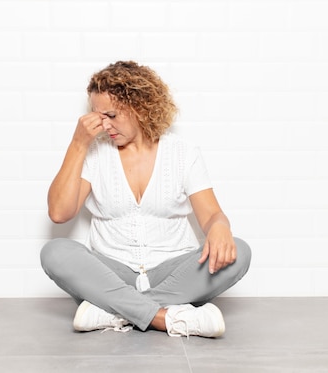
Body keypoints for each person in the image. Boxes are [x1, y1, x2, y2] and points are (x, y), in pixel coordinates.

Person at [40, 61, 251, 338]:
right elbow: (59, 213)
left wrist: (221, 226)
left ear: (139, 108)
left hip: (172, 272)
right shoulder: (94, 153)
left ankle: (114, 311)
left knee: (240, 251)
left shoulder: (182, 153)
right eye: (97, 115)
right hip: (113, 273)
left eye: (111, 115)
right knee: (54, 252)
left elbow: (211, 215)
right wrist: (78, 144)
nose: (103, 124)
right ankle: (168, 317)